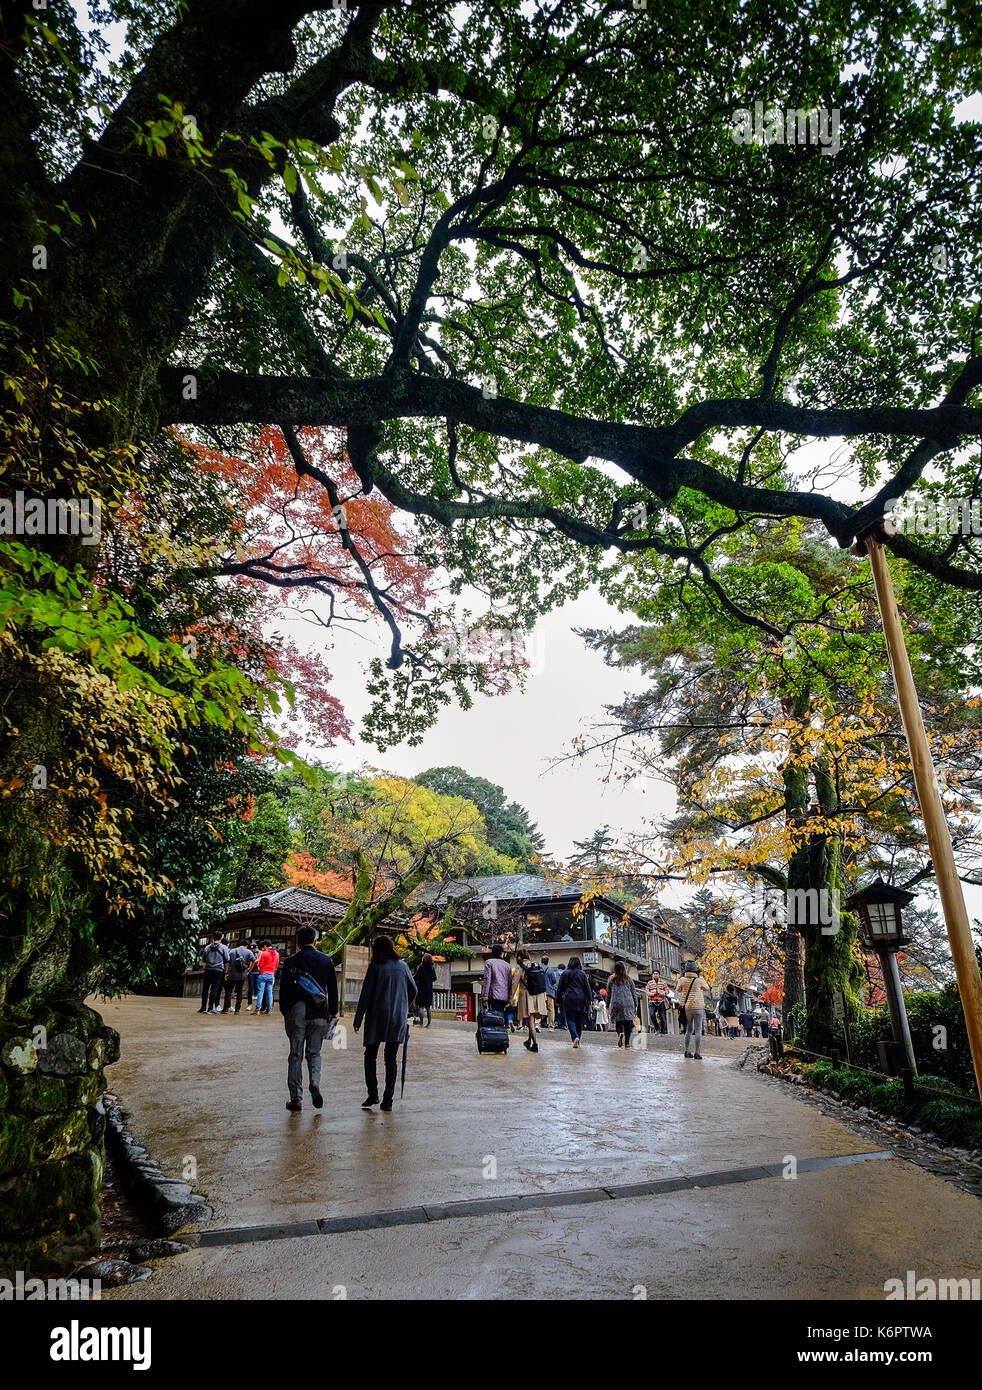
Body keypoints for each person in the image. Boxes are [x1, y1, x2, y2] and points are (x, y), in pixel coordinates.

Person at [278, 926, 339, 1112]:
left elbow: (284, 991)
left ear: (297, 942)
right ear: (315, 941)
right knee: (314, 1053)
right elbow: (333, 989)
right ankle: (314, 1081)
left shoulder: (290, 962)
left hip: (296, 1011)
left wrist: (286, 1011)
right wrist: (333, 1012)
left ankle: (296, 1098)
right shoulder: (326, 960)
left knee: (295, 1054)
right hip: (320, 1011)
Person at [353, 935, 417, 1111]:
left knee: (370, 1056)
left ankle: (373, 1094)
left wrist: (358, 1019)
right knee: (391, 1059)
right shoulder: (403, 967)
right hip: (397, 1017)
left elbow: (366, 994)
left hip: (376, 1017)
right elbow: (414, 990)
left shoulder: (375, 967)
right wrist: (405, 1007)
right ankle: (388, 1099)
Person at [511, 948, 547, 1052]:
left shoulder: (520, 967)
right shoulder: (535, 965)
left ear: (519, 957)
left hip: (527, 995)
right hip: (538, 995)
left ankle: (535, 1044)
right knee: (533, 1019)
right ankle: (528, 1041)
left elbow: (514, 983)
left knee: (530, 1020)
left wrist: (511, 997)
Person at [555, 955, 592, 1047]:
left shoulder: (565, 973)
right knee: (579, 1020)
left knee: (570, 1019)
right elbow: (587, 988)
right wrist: (590, 999)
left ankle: (575, 1037)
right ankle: (578, 1038)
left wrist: (558, 1000)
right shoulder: (582, 974)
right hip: (581, 999)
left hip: (569, 998)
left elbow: (560, 988)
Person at [676, 961, 710, 1059]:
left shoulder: (682, 979)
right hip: (698, 1007)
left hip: (687, 1007)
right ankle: (697, 1052)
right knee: (698, 1029)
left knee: (689, 1029)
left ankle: (687, 1051)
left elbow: (678, 989)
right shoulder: (700, 979)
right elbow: (706, 988)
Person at [606, 961, 638, 1048]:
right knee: (628, 1024)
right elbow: (633, 993)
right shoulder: (629, 979)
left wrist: (607, 1004)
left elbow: (608, 993)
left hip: (616, 1003)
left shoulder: (611, 980)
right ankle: (627, 1043)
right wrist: (636, 1004)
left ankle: (620, 1033)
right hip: (628, 1003)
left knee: (618, 1022)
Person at [198, 931, 229, 1014]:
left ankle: (202, 1007)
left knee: (205, 989)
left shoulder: (207, 947)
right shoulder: (223, 948)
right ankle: (210, 1008)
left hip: (208, 969)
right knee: (214, 989)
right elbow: (227, 959)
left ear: (212, 937)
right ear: (221, 938)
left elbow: (204, 959)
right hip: (218, 970)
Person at [222, 939, 255, 1014]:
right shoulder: (249, 952)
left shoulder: (232, 951)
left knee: (228, 991)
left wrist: (226, 972)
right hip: (242, 975)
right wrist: (249, 970)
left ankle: (226, 1009)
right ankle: (237, 1010)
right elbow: (254, 961)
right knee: (239, 992)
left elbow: (227, 963)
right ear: (246, 945)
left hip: (232, 974)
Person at [481, 944, 512, 1021]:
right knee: (501, 1013)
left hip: (493, 994)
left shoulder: (489, 962)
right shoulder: (507, 965)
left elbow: (487, 979)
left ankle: (496, 1030)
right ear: (501, 953)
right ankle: (503, 1027)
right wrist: (509, 995)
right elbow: (510, 981)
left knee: (493, 1015)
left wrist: (485, 994)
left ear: (493, 953)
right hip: (504, 995)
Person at [253, 939, 280, 1015]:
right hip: (271, 974)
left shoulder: (265, 953)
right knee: (269, 992)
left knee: (260, 992)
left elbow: (260, 965)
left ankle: (257, 1009)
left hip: (263, 974)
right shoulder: (277, 954)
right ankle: (269, 1009)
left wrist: (258, 963)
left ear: (265, 946)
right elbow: (276, 965)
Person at [414, 951, 436, 1027]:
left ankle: (421, 1023)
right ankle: (429, 1024)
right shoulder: (432, 968)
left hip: (421, 989)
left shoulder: (421, 967)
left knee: (421, 1006)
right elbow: (434, 978)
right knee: (428, 1007)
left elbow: (416, 977)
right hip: (429, 989)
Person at [541, 956, 559, 1028]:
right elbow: (554, 981)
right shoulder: (550, 970)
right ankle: (551, 1024)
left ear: (541, 961)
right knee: (550, 1009)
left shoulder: (538, 969)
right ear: (547, 962)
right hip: (549, 992)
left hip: (540, 992)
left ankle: (539, 1023)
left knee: (540, 1008)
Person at [245, 941, 261, 1010]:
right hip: (251, 972)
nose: (253, 950)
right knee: (250, 988)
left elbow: (260, 961)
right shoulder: (249, 953)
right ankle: (249, 1004)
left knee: (259, 988)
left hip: (259, 971)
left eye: (254, 949)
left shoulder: (260, 953)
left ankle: (259, 1005)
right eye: (251, 949)